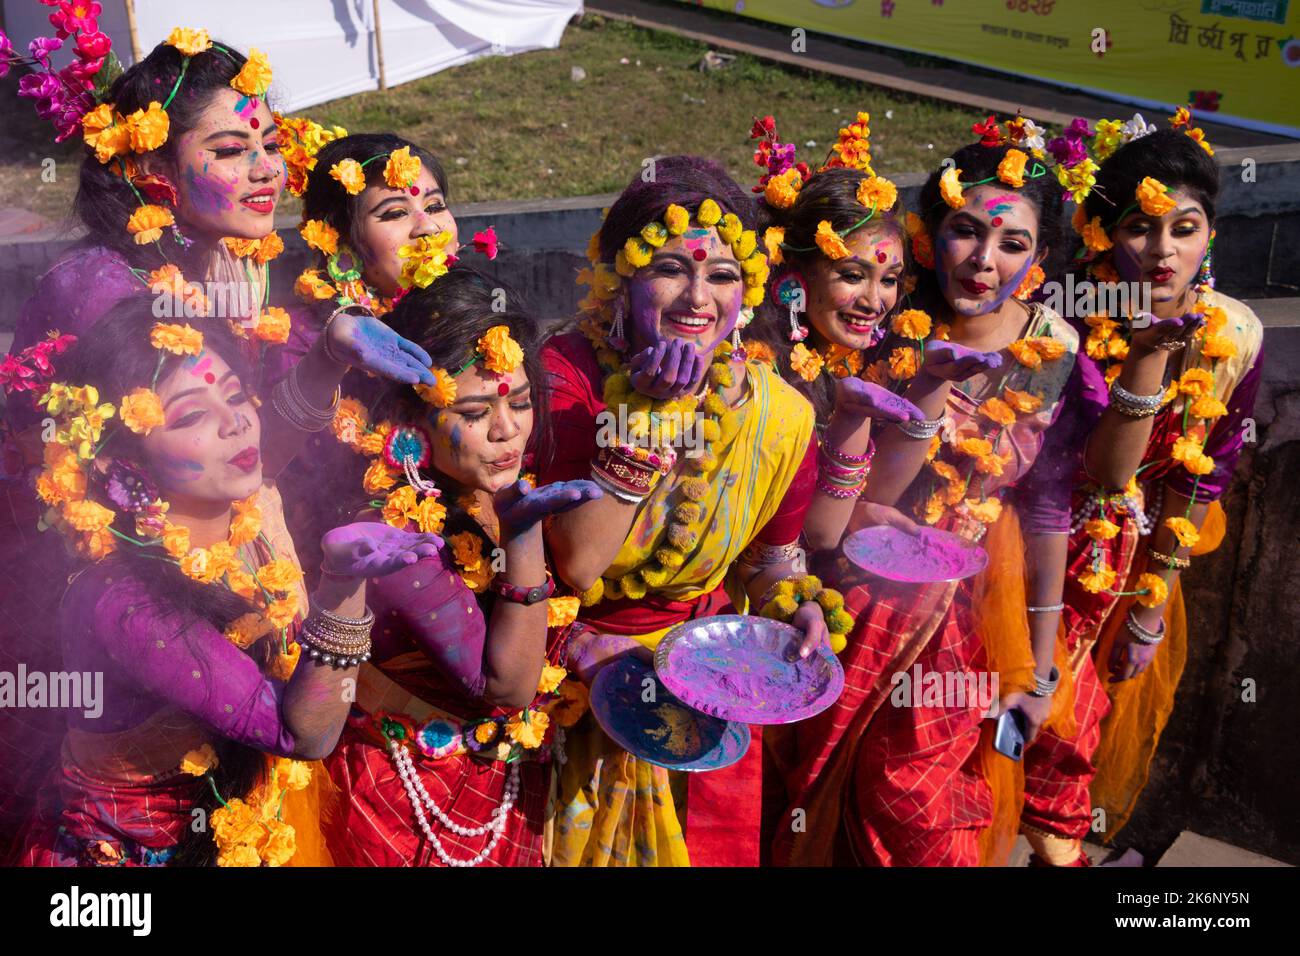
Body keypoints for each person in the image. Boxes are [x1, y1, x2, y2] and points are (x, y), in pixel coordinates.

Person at [10, 295, 441, 866]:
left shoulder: (243, 507)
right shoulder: (123, 601)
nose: (236, 420)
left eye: (237, 394)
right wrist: (341, 588)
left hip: (253, 821)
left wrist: (331, 352)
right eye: (191, 416)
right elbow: (305, 735)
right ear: (122, 465)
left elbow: (271, 436)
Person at [774, 116, 1092, 866]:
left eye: (1012, 244)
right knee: (822, 801)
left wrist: (1039, 666)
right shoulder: (882, 316)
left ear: (1041, 258)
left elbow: (1046, 509)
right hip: (849, 595)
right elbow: (841, 490)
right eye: (965, 231)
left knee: (919, 807)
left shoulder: (1055, 353)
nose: (983, 261)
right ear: (930, 233)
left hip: (972, 614)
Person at [539, 155, 840, 866]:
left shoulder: (778, 416)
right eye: (671, 268)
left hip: (704, 691)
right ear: (622, 279)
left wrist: (791, 604)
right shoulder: (561, 380)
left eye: (723, 276)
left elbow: (776, 558)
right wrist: (647, 420)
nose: (696, 298)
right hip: (569, 686)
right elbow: (577, 565)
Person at [1019, 115, 1264, 865]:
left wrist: (1155, 600)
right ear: (1102, 235)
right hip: (1039, 547)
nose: (1163, 253)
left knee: (1086, 729)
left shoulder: (1236, 332)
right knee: (1033, 726)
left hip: (1140, 559)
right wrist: (1146, 360)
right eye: (1141, 228)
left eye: (1184, 229)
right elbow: (1099, 474)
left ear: (1210, 234)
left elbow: (1206, 470)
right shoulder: (1066, 322)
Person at [319, 266, 600, 866]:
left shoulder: (484, 486)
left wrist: (588, 647)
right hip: (403, 801)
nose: (507, 431)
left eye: (522, 403)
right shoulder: (395, 534)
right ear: (413, 426)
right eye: (474, 414)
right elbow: (507, 686)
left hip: (501, 786)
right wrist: (522, 536)